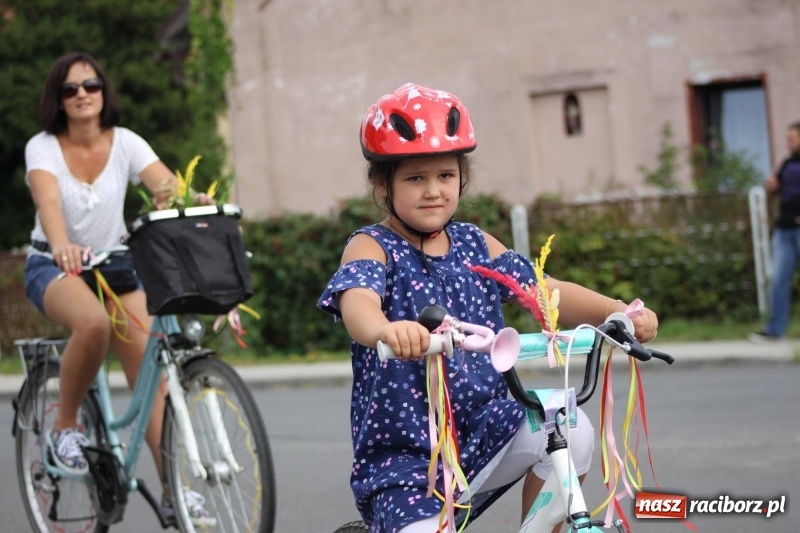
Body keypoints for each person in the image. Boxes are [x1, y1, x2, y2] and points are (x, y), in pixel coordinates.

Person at [317, 83, 658, 533]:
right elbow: (357, 300)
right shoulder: (373, 245)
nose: (433, 191)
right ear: (383, 185)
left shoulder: (474, 244)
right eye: (415, 178)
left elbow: (544, 290)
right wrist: (384, 330)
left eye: (445, 176)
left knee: (569, 427)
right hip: (407, 458)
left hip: (485, 428)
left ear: (462, 178)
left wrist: (619, 311)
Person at [23, 52, 212, 525]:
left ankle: (174, 491)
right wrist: (63, 244)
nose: (83, 94)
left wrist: (194, 202)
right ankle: (65, 428)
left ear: (104, 92)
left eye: (91, 85)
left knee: (152, 376)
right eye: (71, 89)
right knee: (91, 324)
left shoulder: (124, 142)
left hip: (115, 264)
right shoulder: (43, 147)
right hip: (55, 263)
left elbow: (166, 186)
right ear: (59, 100)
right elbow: (48, 200)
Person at [750, 122, 800, 343]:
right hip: (784, 229)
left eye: (792, 138)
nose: (788, 143)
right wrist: (771, 187)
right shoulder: (788, 163)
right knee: (779, 279)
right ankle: (775, 329)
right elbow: (777, 188)